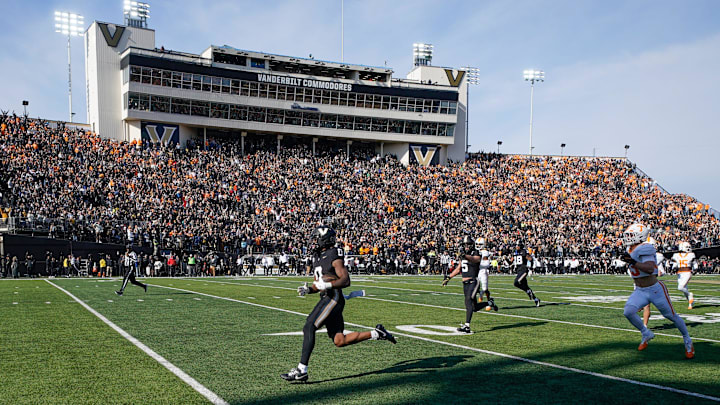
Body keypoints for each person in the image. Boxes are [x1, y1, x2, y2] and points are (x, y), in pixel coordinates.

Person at [281, 226, 396, 382]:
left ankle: (302, 370)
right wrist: (309, 290)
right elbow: (319, 284)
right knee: (339, 340)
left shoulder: (334, 254)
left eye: (317, 238)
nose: (314, 241)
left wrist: (327, 286)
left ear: (324, 239)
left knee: (309, 326)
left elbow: (345, 280)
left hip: (333, 298)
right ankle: (377, 333)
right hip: (327, 296)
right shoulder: (317, 256)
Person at [620, 223, 693, 358]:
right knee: (628, 311)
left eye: (631, 235)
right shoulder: (630, 249)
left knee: (671, 316)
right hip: (640, 289)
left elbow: (649, 268)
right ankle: (646, 332)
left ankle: (687, 340)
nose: (628, 238)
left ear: (639, 236)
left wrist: (632, 262)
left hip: (654, 289)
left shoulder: (646, 248)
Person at [441, 236, 498, 333]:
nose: (466, 246)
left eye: (468, 244)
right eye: (465, 245)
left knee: (469, 300)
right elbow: (459, 268)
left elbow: (475, 259)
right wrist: (449, 277)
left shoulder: (476, 252)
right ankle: (489, 303)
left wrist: (464, 256)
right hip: (465, 283)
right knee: (474, 307)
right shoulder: (464, 254)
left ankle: (467, 326)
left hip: (473, 281)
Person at [512, 242, 540, 307]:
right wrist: (506, 259)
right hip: (519, 271)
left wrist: (531, 268)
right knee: (526, 287)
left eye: (517, 245)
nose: (516, 246)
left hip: (524, 270)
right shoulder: (515, 252)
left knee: (516, 282)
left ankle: (528, 291)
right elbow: (511, 261)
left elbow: (530, 259)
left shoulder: (523, 252)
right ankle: (536, 299)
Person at [672, 241, 696, 310]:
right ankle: (690, 303)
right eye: (687, 247)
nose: (688, 248)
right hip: (679, 273)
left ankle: (690, 294)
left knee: (680, 287)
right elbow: (675, 264)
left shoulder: (691, 255)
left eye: (689, 247)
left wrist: (695, 269)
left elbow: (694, 263)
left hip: (687, 272)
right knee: (684, 289)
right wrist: (673, 268)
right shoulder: (676, 255)